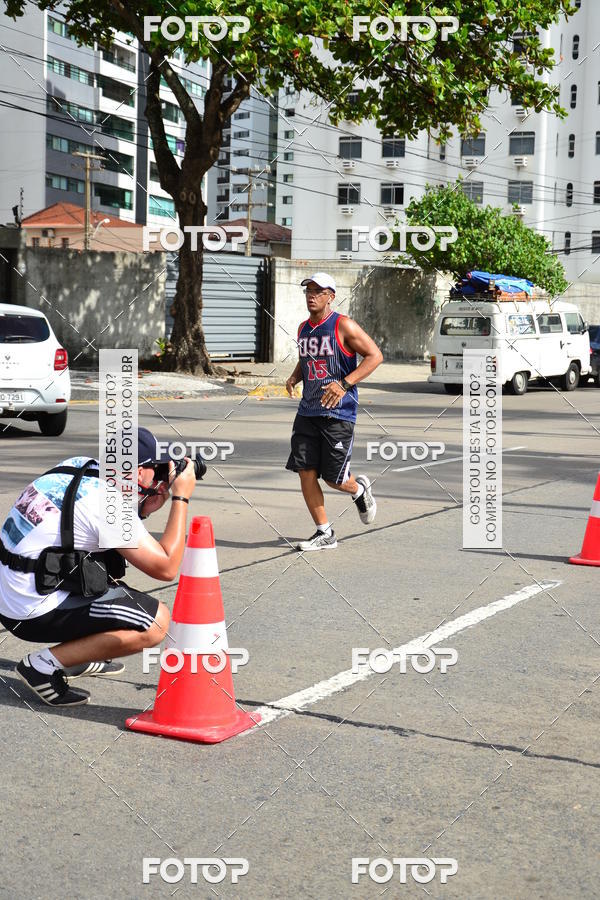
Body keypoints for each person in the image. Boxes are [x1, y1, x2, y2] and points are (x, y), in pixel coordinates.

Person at [0, 427, 196, 707]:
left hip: (11, 593)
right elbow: (165, 567)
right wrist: (180, 498)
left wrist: (147, 498)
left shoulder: (78, 465)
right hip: (31, 611)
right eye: (158, 469)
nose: (164, 476)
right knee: (155, 622)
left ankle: (77, 656)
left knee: (109, 565)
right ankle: (41, 667)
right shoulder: (107, 505)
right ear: (138, 472)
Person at [285, 272, 383, 550]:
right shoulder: (304, 328)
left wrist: (344, 383)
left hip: (338, 413)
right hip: (308, 411)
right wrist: (296, 376)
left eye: (318, 291)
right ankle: (324, 532)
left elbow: (375, 355)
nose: (311, 295)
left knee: (334, 478)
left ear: (331, 296)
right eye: (308, 290)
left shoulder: (343, 325)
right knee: (305, 470)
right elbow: (309, 358)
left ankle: (359, 489)